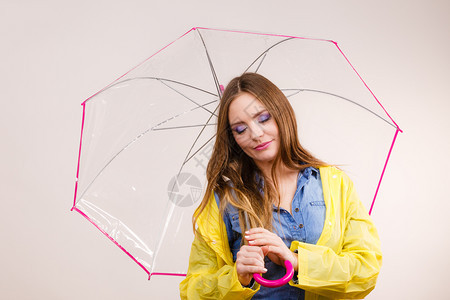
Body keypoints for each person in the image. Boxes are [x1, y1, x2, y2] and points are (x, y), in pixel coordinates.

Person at [179, 73, 382, 299]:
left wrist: (296, 260)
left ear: (281, 113)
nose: (256, 134)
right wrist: (237, 277)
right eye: (240, 129)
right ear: (232, 138)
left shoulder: (333, 184)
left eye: (263, 118)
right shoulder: (224, 200)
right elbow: (192, 292)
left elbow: (366, 270)